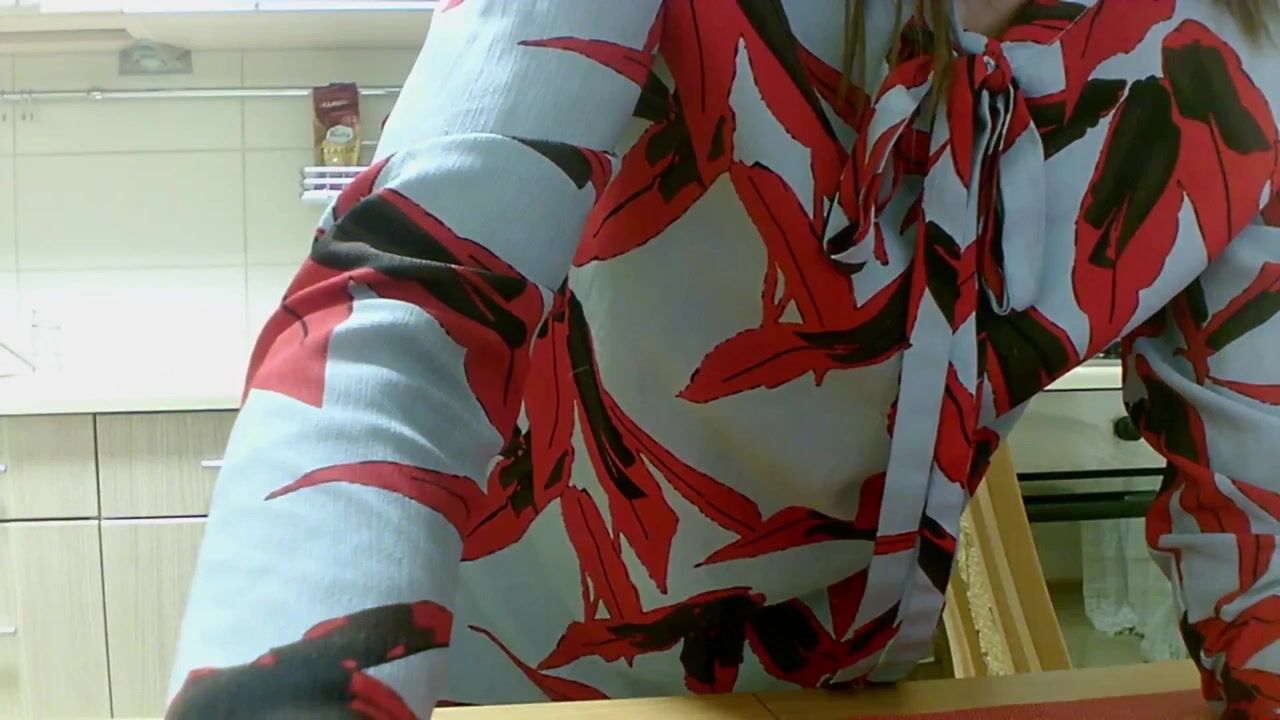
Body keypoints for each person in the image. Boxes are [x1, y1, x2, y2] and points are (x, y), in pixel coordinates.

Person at [164, 1, 1280, 717]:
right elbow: (399, 319)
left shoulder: (1238, 63)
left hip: (822, 695)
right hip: (483, 681)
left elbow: (1262, 538)